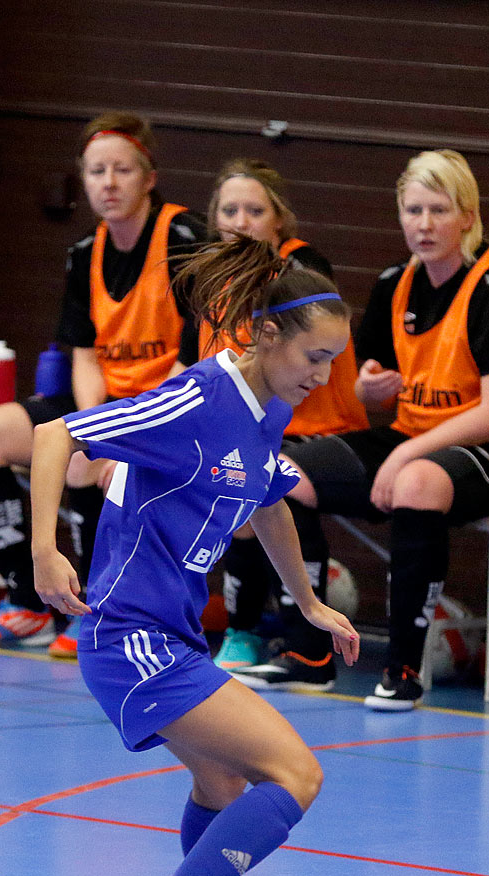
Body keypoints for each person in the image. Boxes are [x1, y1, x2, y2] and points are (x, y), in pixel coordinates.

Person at [28, 235, 359, 876]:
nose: (323, 375)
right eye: (316, 357)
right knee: (296, 774)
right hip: (127, 638)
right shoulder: (198, 399)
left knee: (221, 780)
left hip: (170, 635)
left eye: (334, 361)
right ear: (267, 334)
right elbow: (56, 437)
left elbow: (270, 497)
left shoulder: (268, 410)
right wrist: (44, 551)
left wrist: (305, 600)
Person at [227, 149, 489, 711]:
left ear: (468, 218)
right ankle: (309, 651)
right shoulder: (394, 283)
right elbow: (366, 383)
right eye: (413, 211)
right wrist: (370, 389)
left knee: (415, 482)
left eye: (438, 210)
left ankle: (404, 666)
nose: (424, 225)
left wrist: (405, 457)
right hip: (421, 441)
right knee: (279, 474)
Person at [0, 112, 207, 657]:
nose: (108, 183)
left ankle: (99, 609)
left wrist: (122, 429)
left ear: (149, 177)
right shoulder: (82, 253)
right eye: (96, 172)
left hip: (175, 400)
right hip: (108, 395)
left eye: (122, 170)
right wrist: (95, 426)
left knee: (91, 461)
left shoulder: (186, 236)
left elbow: (199, 353)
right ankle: (27, 600)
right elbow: (85, 355)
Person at [199, 159, 369, 672]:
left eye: (255, 210)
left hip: (323, 429)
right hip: (258, 428)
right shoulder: (218, 280)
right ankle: (237, 628)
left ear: (280, 221)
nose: (242, 220)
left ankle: (307, 646)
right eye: (230, 210)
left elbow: (276, 366)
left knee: (270, 480)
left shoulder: (300, 270)